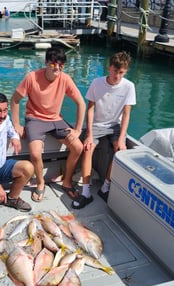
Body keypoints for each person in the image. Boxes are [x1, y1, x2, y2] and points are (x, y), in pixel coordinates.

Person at [10, 47, 86, 202]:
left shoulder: (65, 79)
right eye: (53, 64)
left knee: (78, 147)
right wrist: (16, 124)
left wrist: (78, 129)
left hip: (55, 119)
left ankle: (67, 182)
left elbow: (81, 103)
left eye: (61, 65)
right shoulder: (32, 77)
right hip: (35, 119)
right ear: (46, 63)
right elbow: (15, 99)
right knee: (35, 153)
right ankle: (40, 183)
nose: (57, 68)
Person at [72, 51, 136, 209]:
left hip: (114, 126)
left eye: (121, 73)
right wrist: (89, 135)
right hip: (96, 125)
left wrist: (121, 139)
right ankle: (86, 192)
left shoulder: (129, 87)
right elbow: (90, 109)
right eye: (115, 71)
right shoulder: (97, 82)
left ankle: (105, 187)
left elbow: (126, 115)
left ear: (125, 71)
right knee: (88, 149)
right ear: (109, 68)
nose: (117, 76)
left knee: (120, 151)